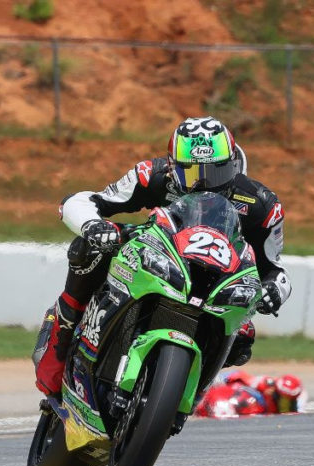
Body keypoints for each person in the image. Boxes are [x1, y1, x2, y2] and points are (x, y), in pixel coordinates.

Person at [34, 116, 292, 397]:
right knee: (90, 248)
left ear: (233, 164)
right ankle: (66, 328)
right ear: (173, 167)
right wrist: (94, 226)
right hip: (156, 256)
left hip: (215, 279)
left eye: (216, 173)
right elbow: (84, 201)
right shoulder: (152, 175)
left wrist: (273, 291)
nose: (204, 183)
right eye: (192, 174)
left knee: (244, 337)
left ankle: (183, 392)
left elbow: (274, 269)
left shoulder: (261, 204)